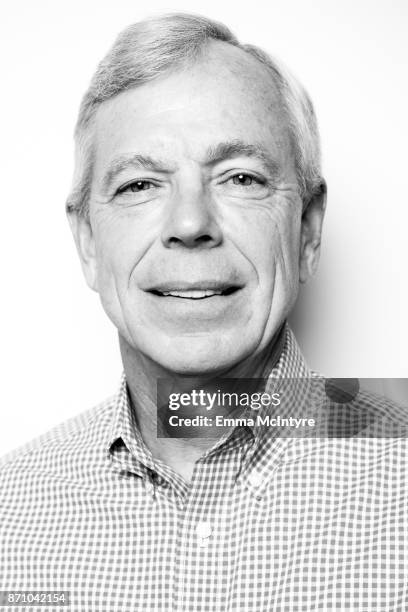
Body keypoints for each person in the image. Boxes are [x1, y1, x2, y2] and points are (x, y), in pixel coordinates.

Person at [0, 12, 406, 612]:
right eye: (140, 185)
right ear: (87, 241)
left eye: (240, 177)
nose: (190, 224)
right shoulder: (10, 512)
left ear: (307, 233)